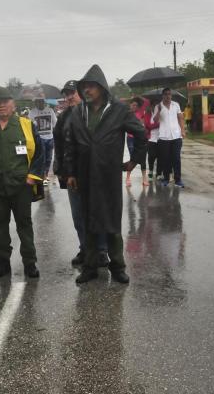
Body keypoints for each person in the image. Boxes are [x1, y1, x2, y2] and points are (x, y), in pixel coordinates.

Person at [65, 65, 147, 284]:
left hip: (108, 174)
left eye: (91, 86)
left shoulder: (119, 110)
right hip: (84, 174)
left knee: (111, 222)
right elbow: (70, 143)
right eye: (84, 87)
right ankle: (90, 267)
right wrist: (71, 172)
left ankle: (118, 266)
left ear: (101, 88)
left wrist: (134, 161)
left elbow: (140, 133)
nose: (87, 91)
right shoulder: (77, 112)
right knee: (88, 220)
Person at [0, 87, 44, 279]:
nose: (2, 105)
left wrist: (32, 177)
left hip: (22, 186)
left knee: (24, 225)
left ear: (13, 104)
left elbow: (39, 153)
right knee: (0, 225)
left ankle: (30, 263)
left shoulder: (26, 125)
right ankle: (3, 263)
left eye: (6, 101)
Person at [53, 80, 109, 267]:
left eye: (72, 93)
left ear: (82, 94)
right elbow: (59, 145)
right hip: (72, 175)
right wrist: (60, 170)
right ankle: (85, 248)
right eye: (66, 94)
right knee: (78, 215)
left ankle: (101, 251)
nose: (69, 97)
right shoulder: (63, 117)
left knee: (97, 213)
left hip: (94, 174)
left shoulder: (94, 113)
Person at [154, 88, 186, 187]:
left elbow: (180, 118)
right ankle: (166, 179)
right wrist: (159, 111)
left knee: (176, 158)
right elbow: (155, 120)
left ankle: (178, 180)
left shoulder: (176, 105)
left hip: (176, 136)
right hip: (164, 137)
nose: (168, 96)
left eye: (169, 94)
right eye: (166, 94)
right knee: (165, 159)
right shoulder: (158, 106)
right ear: (162, 96)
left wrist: (183, 130)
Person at [28, 98, 57, 185]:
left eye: (42, 101)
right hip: (39, 138)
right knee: (42, 158)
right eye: (38, 102)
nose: (40, 103)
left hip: (50, 137)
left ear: (44, 102)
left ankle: (46, 175)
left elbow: (55, 123)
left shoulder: (50, 110)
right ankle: (43, 176)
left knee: (49, 158)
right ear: (35, 103)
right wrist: (34, 123)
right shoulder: (32, 112)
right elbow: (29, 125)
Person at [125, 97, 149, 187]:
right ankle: (128, 178)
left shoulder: (140, 113)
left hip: (140, 139)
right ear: (130, 105)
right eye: (132, 105)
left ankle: (144, 178)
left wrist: (136, 97)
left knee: (143, 158)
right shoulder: (127, 114)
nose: (134, 106)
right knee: (133, 158)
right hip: (131, 138)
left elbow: (146, 102)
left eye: (136, 105)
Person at [144, 102, 160, 180]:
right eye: (153, 105)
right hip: (151, 139)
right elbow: (148, 125)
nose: (154, 107)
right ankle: (150, 171)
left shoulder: (160, 113)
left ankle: (158, 173)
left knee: (160, 156)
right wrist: (158, 124)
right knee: (151, 156)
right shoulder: (147, 114)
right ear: (150, 106)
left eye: (155, 105)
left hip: (161, 138)